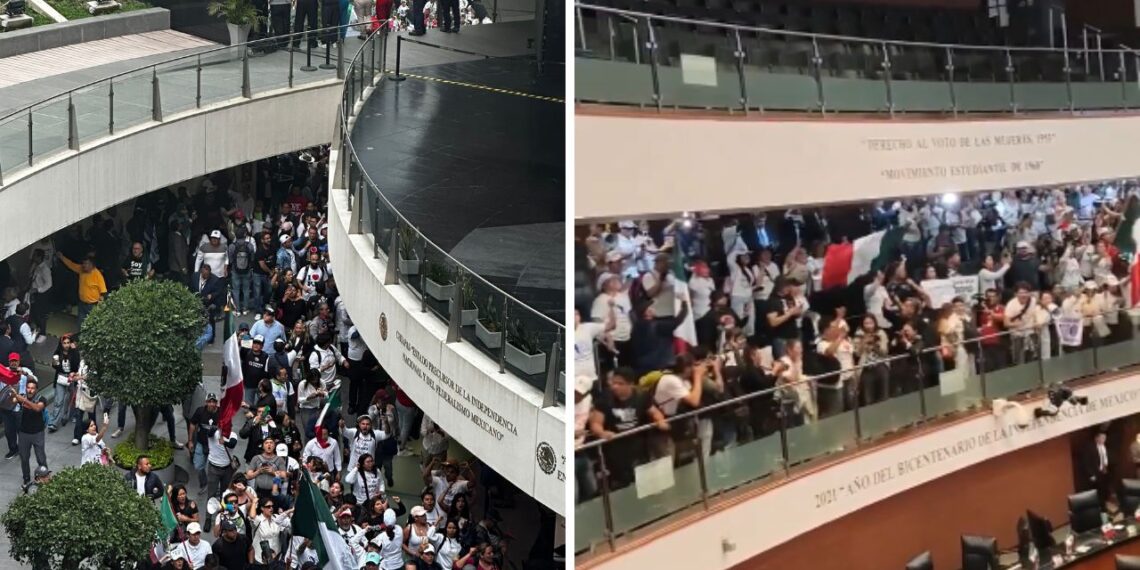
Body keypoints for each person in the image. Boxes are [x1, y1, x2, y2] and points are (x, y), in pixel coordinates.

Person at [56, 252, 107, 332]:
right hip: (82, 303)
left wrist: (100, 304)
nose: (83, 265)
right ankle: (80, 338)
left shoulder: (98, 275)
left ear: (91, 265)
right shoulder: (81, 269)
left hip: (92, 306)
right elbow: (71, 265)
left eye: (86, 264)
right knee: (80, 323)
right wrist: (62, 257)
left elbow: (103, 292)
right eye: (83, 263)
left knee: (92, 324)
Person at [15, 378, 48, 486]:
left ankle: (44, 477)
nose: (30, 390)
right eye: (28, 388)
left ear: (36, 390)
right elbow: (11, 402)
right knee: (24, 458)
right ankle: (26, 478)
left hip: (37, 433)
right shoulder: (22, 397)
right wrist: (13, 394)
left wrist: (24, 401)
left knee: (41, 458)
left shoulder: (41, 399)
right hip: (23, 433)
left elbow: (37, 408)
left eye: (32, 388)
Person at [47, 334, 81, 433]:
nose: (66, 345)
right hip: (61, 378)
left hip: (72, 378)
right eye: (64, 343)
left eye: (68, 343)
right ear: (61, 344)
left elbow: (76, 365)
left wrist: (74, 350)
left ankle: (67, 416)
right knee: (59, 400)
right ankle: (53, 422)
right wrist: (55, 363)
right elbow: (55, 367)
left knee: (71, 399)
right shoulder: (57, 353)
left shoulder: (74, 352)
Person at [188, 393, 221, 490]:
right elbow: (192, 424)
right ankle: (204, 483)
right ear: (206, 402)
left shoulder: (221, 413)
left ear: (216, 403)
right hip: (201, 443)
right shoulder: (200, 411)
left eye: (213, 402)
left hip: (215, 445)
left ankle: (216, 487)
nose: (211, 404)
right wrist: (190, 441)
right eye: (209, 402)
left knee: (216, 467)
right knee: (198, 465)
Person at [1083, 431, 1113, 508]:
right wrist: (1091, 475)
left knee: (1105, 491)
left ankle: (1105, 506)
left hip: (1105, 472)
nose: (1104, 440)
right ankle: (1100, 507)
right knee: (1098, 493)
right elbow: (1086, 462)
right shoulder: (1090, 448)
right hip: (1096, 474)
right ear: (1096, 438)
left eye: (1105, 438)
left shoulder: (1105, 446)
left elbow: (1107, 457)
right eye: (1102, 438)